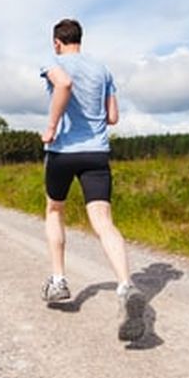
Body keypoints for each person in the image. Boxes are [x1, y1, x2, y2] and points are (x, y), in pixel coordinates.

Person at [39, 18, 146, 342]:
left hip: (62, 152)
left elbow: (64, 84)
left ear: (57, 42)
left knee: (55, 210)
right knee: (103, 221)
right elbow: (112, 116)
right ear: (79, 40)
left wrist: (51, 126)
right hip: (97, 154)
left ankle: (58, 281)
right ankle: (126, 286)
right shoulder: (103, 70)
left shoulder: (53, 63)